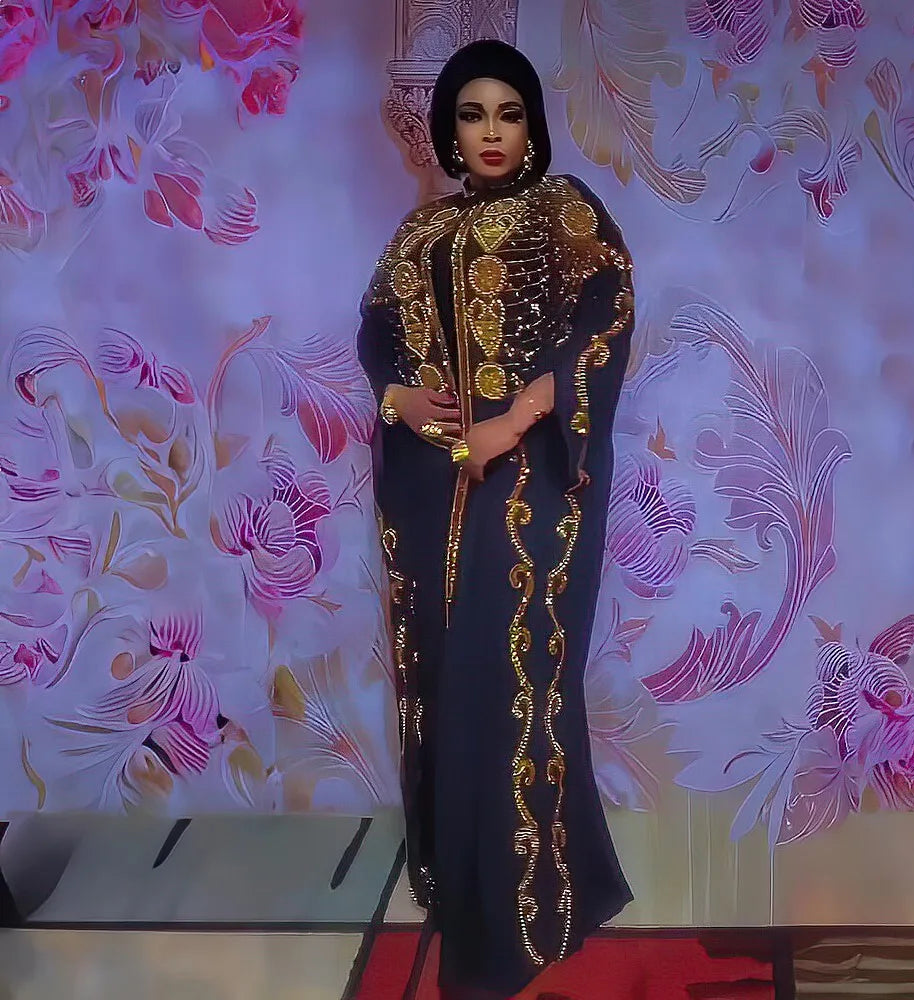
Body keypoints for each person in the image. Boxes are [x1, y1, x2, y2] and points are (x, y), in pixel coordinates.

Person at [357, 39, 635, 999]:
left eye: (508, 113)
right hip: (435, 495)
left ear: (531, 126)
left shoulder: (563, 211)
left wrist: (511, 424)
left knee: (508, 677)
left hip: (530, 489)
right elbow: (376, 332)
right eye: (472, 114)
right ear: (448, 128)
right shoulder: (421, 230)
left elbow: (604, 321)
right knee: (449, 680)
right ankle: (472, 896)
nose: (490, 132)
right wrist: (396, 397)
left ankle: (522, 919)